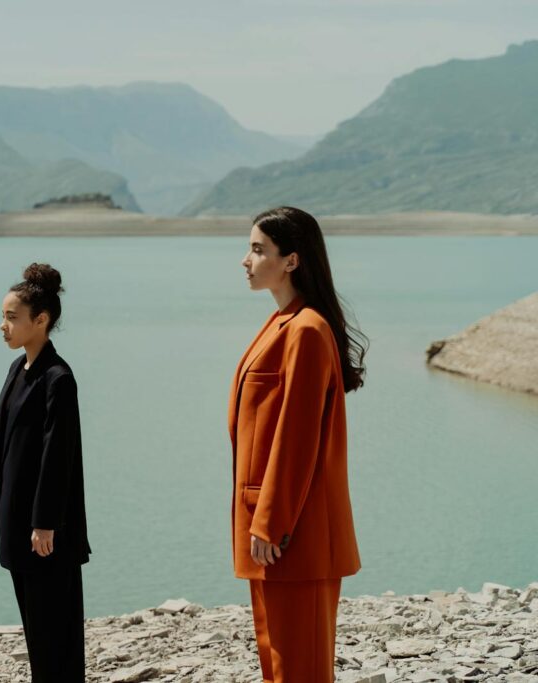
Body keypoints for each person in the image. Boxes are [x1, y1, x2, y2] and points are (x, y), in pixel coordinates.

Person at [228, 207, 366, 682]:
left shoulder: (306, 329)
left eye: (257, 249)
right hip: (278, 532)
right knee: (279, 665)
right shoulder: (282, 322)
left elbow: (297, 436)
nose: (245, 260)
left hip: (294, 535)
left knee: (299, 670)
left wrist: (270, 523)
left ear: (291, 260)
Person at [0, 263, 91, 682]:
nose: (3, 326)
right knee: (37, 630)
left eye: (12, 317)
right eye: (4, 316)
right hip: (21, 527)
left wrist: (45, 523)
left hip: (47, 535)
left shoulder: (58, 378)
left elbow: (58, 456)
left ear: (41, 320)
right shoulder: (19, 369)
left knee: (56, 632)